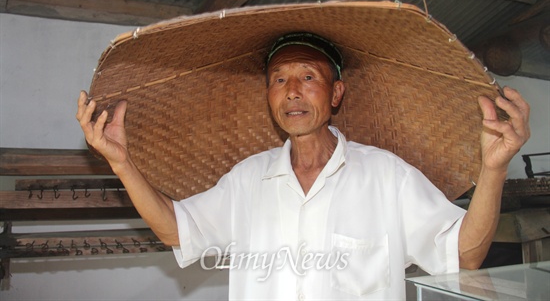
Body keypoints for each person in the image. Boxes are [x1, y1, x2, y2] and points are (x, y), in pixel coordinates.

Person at [76, 32, 530, 299]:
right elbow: (178, 230)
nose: (291, 90)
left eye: (308, 77)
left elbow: (464, 254)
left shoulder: (386, 176)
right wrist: (122, 163)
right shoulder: (247, 180)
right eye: (278, 79)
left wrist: (493, 170)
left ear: (335, 95)